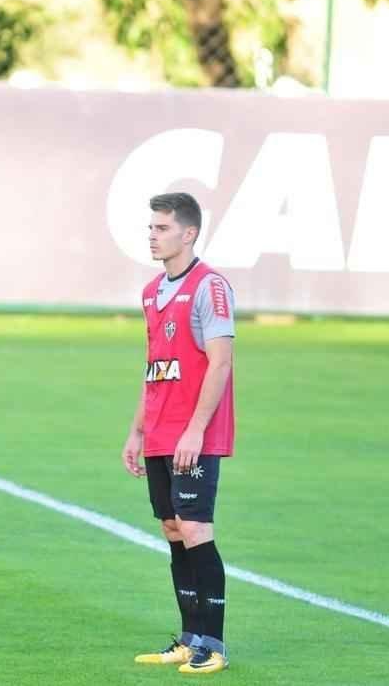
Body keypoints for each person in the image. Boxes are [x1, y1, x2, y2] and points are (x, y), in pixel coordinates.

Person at [122, 192, 235, 675]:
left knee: (194, 528)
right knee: (172, 529)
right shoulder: (151, 291)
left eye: (161, 228)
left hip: (193, 434)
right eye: (150, 227)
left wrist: (195, 430)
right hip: (160, 431)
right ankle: (190, 638)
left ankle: (215, 643)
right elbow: (155, 368)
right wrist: (136, 431)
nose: (152, 235)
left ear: (188, 233)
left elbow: (220, 361)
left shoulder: (210, 287)